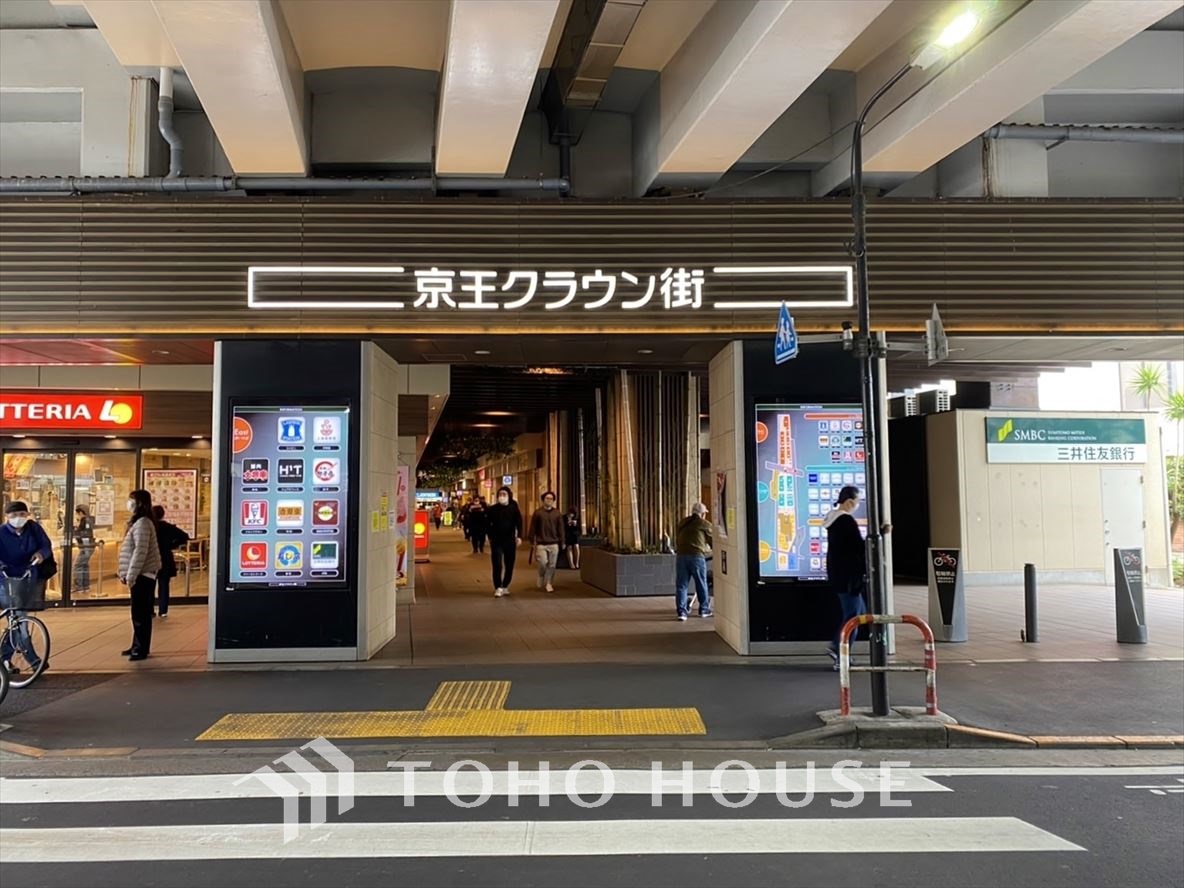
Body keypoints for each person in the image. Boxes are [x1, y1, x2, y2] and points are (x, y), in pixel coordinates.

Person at [0, 501, 53, 674]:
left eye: (22, 514)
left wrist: (41, 554)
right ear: (7, 516)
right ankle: (34, 661)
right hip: (6, 579)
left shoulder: (33, 529)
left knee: (16, 620)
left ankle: (3, 658)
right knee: (19, 619)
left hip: (28, 578)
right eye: (14, 515)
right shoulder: (1, 533)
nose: (18, 518)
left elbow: (46, 545)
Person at [823, 485, 868, 670]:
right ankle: (839, 650)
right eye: (857, 502)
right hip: (848, 577)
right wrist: (880, 534)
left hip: (838, 574)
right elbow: (859, 547)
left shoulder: (833, 519)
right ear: (849, 502)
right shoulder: (845, 521)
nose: (857, 505)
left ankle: (840, 649)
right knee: (853, 617)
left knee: (859, 613)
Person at [118, 490, 162, 661]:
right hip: (140, 574)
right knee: (138, 612)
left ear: (139, 503)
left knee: (140, 613)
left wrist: (131, 575)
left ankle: (140, 648)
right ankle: (137, 645)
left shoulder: (143, 523)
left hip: (143, 575)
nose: (129, 503)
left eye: (132, 500)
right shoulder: (139, 522)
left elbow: (140, 552)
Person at [674, 502, 713, 621]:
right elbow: (712, 541)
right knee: (701, 582)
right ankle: (704, 609)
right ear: (702, 514)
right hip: (696, 557)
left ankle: (682, 612)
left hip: (681, 556)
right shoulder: (704, 524)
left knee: (681, 585)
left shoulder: (683, 522)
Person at [151, 505, 189, 617]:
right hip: (165, 557)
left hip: (151, 558)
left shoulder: (150, 527)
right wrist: (172, 545)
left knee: (150, 586)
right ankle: (163, 610)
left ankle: (150, 610)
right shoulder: (168, 527)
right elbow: (184, 536)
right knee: (164, 585)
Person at [487, 486, 523, 598]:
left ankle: (505, 585)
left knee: (509, 564)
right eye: (500, 494)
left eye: (504, 494)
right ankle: (498, 587)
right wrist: (490, 536)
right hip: (496, 541)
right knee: (497, 564)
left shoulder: (513, 508)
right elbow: (487, 524)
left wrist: (519, 536)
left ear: (509, 496)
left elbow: (519, 523)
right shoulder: (492, 509)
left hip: (510, 540)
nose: (502, 497)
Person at [528, 491, 564, 593]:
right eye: (547, 498)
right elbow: (533, 527)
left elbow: (561, 529)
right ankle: (541, 575)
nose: (549, 500)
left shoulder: (557, 513)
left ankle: (549, 583)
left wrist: (563, 541)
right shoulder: (538, 513)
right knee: (543, 562)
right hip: (541, 543)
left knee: (552, 565)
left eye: (551, 499)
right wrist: (531, 539)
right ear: (543, 500)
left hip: (554, 542)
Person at [71, 505, 95, 594]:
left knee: (77, 566)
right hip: (88, 546)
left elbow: (84, 534)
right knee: (84, 566)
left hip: (86, 547)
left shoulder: (85, 521)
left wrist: (75, 531)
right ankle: (85, 586)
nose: (76, 515)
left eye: (77, 513)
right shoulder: (88, 520)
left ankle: (79, 586)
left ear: (81, 513)